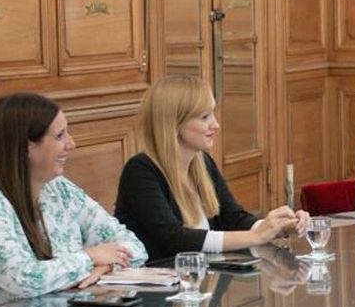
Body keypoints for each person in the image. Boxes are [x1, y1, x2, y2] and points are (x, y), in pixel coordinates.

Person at [0, 93, 147, 307]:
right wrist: (89, 258)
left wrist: (103, 268)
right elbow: (23, 280)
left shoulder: (60, 190)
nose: (72, 143)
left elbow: (134, 247)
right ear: (27, 146)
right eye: (60, 136)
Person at [115, 75, 309, 263]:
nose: (215, 125)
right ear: (174, 123)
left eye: (213, 114)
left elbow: (232, 218)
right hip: (160, 290)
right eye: (204, 117)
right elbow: (175, 240)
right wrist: (257, 236)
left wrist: (279, 227)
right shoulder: (140, 171)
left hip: (202, 283)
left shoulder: (203, 163)